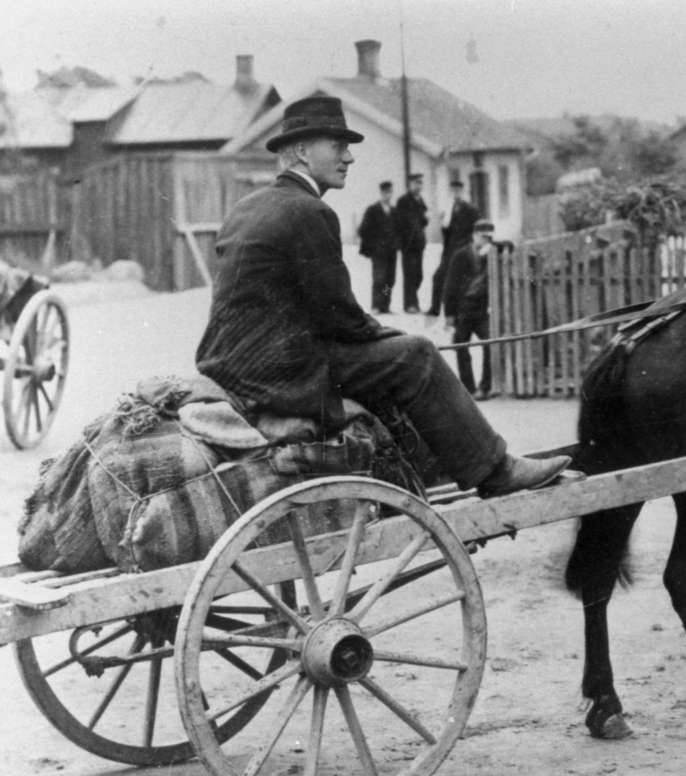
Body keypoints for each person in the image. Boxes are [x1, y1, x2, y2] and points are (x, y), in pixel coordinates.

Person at [195, 94, 570, 496]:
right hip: (279, 373)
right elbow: (338, 316)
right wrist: (392, 337)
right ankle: (495, 471)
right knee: (418, 355)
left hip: (233, 365)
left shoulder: (248, 207)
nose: (349, 158)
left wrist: (378, 335)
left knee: (393, 353)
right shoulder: (309, 211)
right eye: (338, 146)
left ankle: (431, 461)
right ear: (303, 151)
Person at [443, 218, 496, 400]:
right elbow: (450, 286)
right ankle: (469, 389)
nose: (486, 240)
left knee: (491, 344)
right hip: (462, 311)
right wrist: (449, 316)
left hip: (481, 312)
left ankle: (485, 387)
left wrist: (494, 246)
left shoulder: (492, 254)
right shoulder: (460, 255)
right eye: (483, 237)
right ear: (474, 235)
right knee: (461, 348)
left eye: (490, 237)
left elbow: (509, 246)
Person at [426, 179, 480, 318]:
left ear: (463, 192)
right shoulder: (448, 209)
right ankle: (435, 309)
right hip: (449, 251)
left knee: (459, 282)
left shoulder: (471, 209)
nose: (456, 194)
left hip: (463, 251)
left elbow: (474, 232)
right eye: (453, 191)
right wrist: (443, 223)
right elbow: (446, 233)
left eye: (458, 191)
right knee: (438, 277)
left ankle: (458, 311)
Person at [356, 180, 398, 314]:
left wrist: (397, 243)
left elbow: (400, 230)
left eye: (390, 192)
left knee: (389, 279)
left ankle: (385, 306)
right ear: (381, 193)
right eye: (385, 192)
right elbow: (362, 229)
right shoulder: (373, 210)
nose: (388, 195)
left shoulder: (394, 211)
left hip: (391, 251)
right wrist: (373, 244)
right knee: (379, 278)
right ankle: (376, 306)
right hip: (378, 251)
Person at [393, 172, 428, 313]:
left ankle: (415, 303)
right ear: (410, 184)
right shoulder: (403, 201)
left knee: (418, 274)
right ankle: (409, 305)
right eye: (416, 183)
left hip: (419, 244)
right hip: (408, 244)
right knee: (410, 274)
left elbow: (423, 221)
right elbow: (401, 222)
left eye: (421, 183)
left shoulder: (420, 200)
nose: (419, 186)